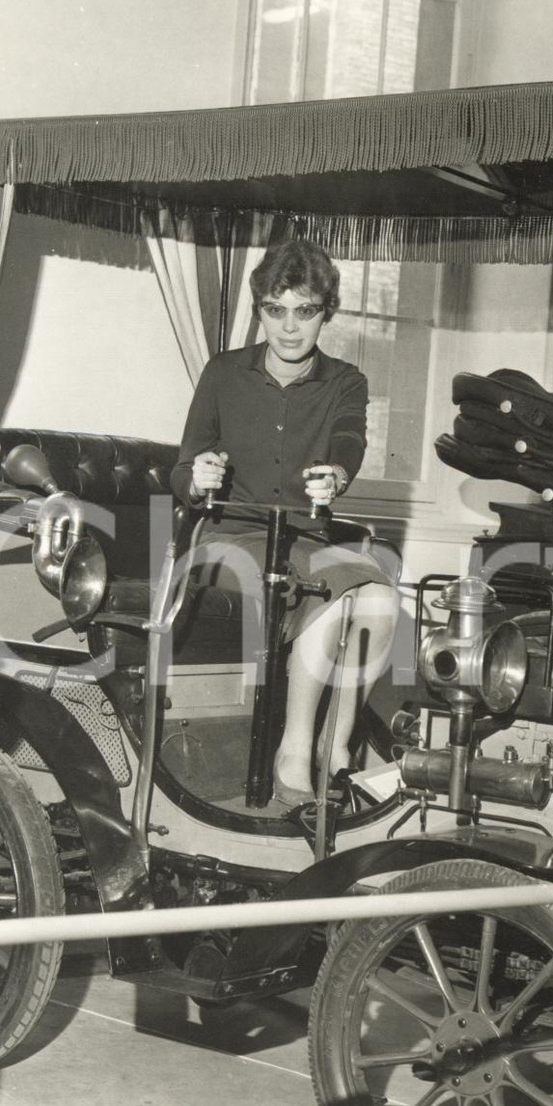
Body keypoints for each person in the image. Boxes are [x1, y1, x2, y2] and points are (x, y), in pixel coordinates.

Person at [172, 238, 398, 808]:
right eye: (275, 310)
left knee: (381, 599)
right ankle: (295, 749)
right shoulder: (223, 372)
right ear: (259, 310)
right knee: (335, 590)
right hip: (227, 539)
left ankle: (336, 743)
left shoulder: (346, 381)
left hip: (303, 537)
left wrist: (337, 476)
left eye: (305, 311)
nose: (289, 328)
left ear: (327, 312)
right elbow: (181, 468)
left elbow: (349, 439)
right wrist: (196, 476)